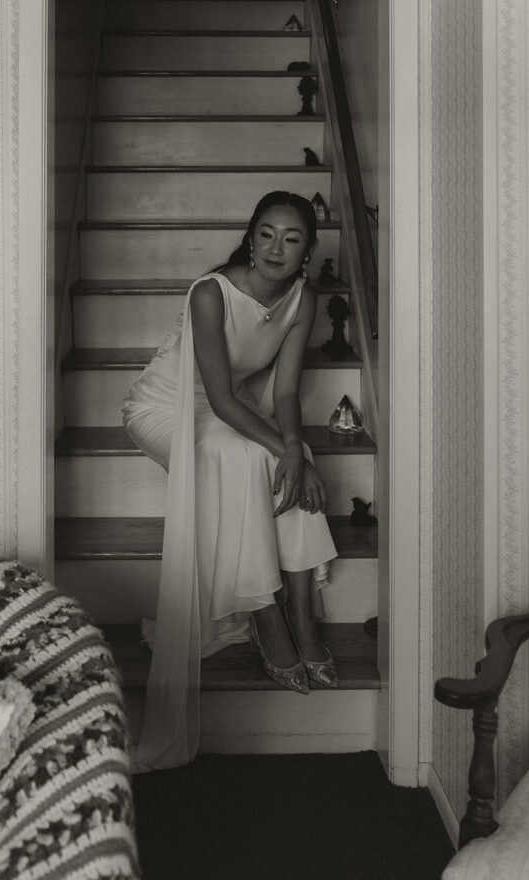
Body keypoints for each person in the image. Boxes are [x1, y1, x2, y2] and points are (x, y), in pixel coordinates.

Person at [122, 191, 338, 770]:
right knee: (245, 457)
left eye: (291, 239)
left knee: (293, 453)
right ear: (250, 237)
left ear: (307, 252)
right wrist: (283, 450)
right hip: (168, 408)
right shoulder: (210, 293)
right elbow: (216, 398)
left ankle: (302, 615)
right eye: (265, 234)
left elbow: (286, 391)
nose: (276, 248)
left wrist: (294, 448)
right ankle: (265, 616)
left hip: (231, 407)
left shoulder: (301, 298)